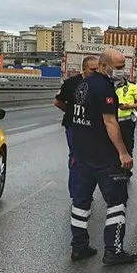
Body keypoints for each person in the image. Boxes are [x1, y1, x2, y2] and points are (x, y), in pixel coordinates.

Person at [69, 48, 137, 265]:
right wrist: (123, 152)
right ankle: (113, 250)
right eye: (118, 67)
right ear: (104, 66)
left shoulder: (83, 85)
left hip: (81, 155)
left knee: (80, 202)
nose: (121, 71)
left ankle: (79, 247)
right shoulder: (105, 88)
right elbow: (110, 122)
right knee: (117, 202)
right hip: (104, 157)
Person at [54, 56, 98, 199]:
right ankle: (76, 193)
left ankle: (86, 190)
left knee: (90, 159)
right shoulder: (71, 83)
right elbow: (57, 101)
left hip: (92, 128)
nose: (95, 72)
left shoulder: (100, 83)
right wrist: (71, 112)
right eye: (92, 69)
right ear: (84, 68)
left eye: (97, 69)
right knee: (76, 157)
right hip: (73, 127)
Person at [115, 72, 137, 177]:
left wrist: (129, 107)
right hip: (112, 122)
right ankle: (114, 168)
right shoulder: (110, 87)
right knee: (112, 146)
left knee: (127, 146)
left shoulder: (132, 87)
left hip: (126, 122)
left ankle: (126, 170)